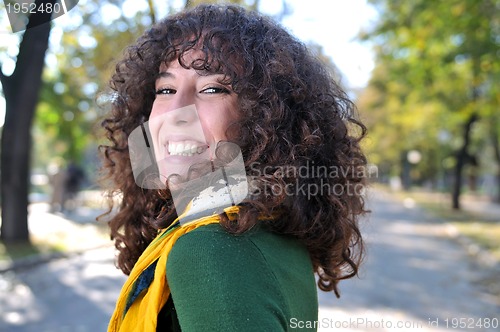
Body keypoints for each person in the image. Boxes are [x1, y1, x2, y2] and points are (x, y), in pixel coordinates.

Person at [99, 4, 368, 331]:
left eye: (212, 89)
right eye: (165, 90)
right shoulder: (267, 230)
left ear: (268, 120)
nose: (176, 112)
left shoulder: (209, 250)